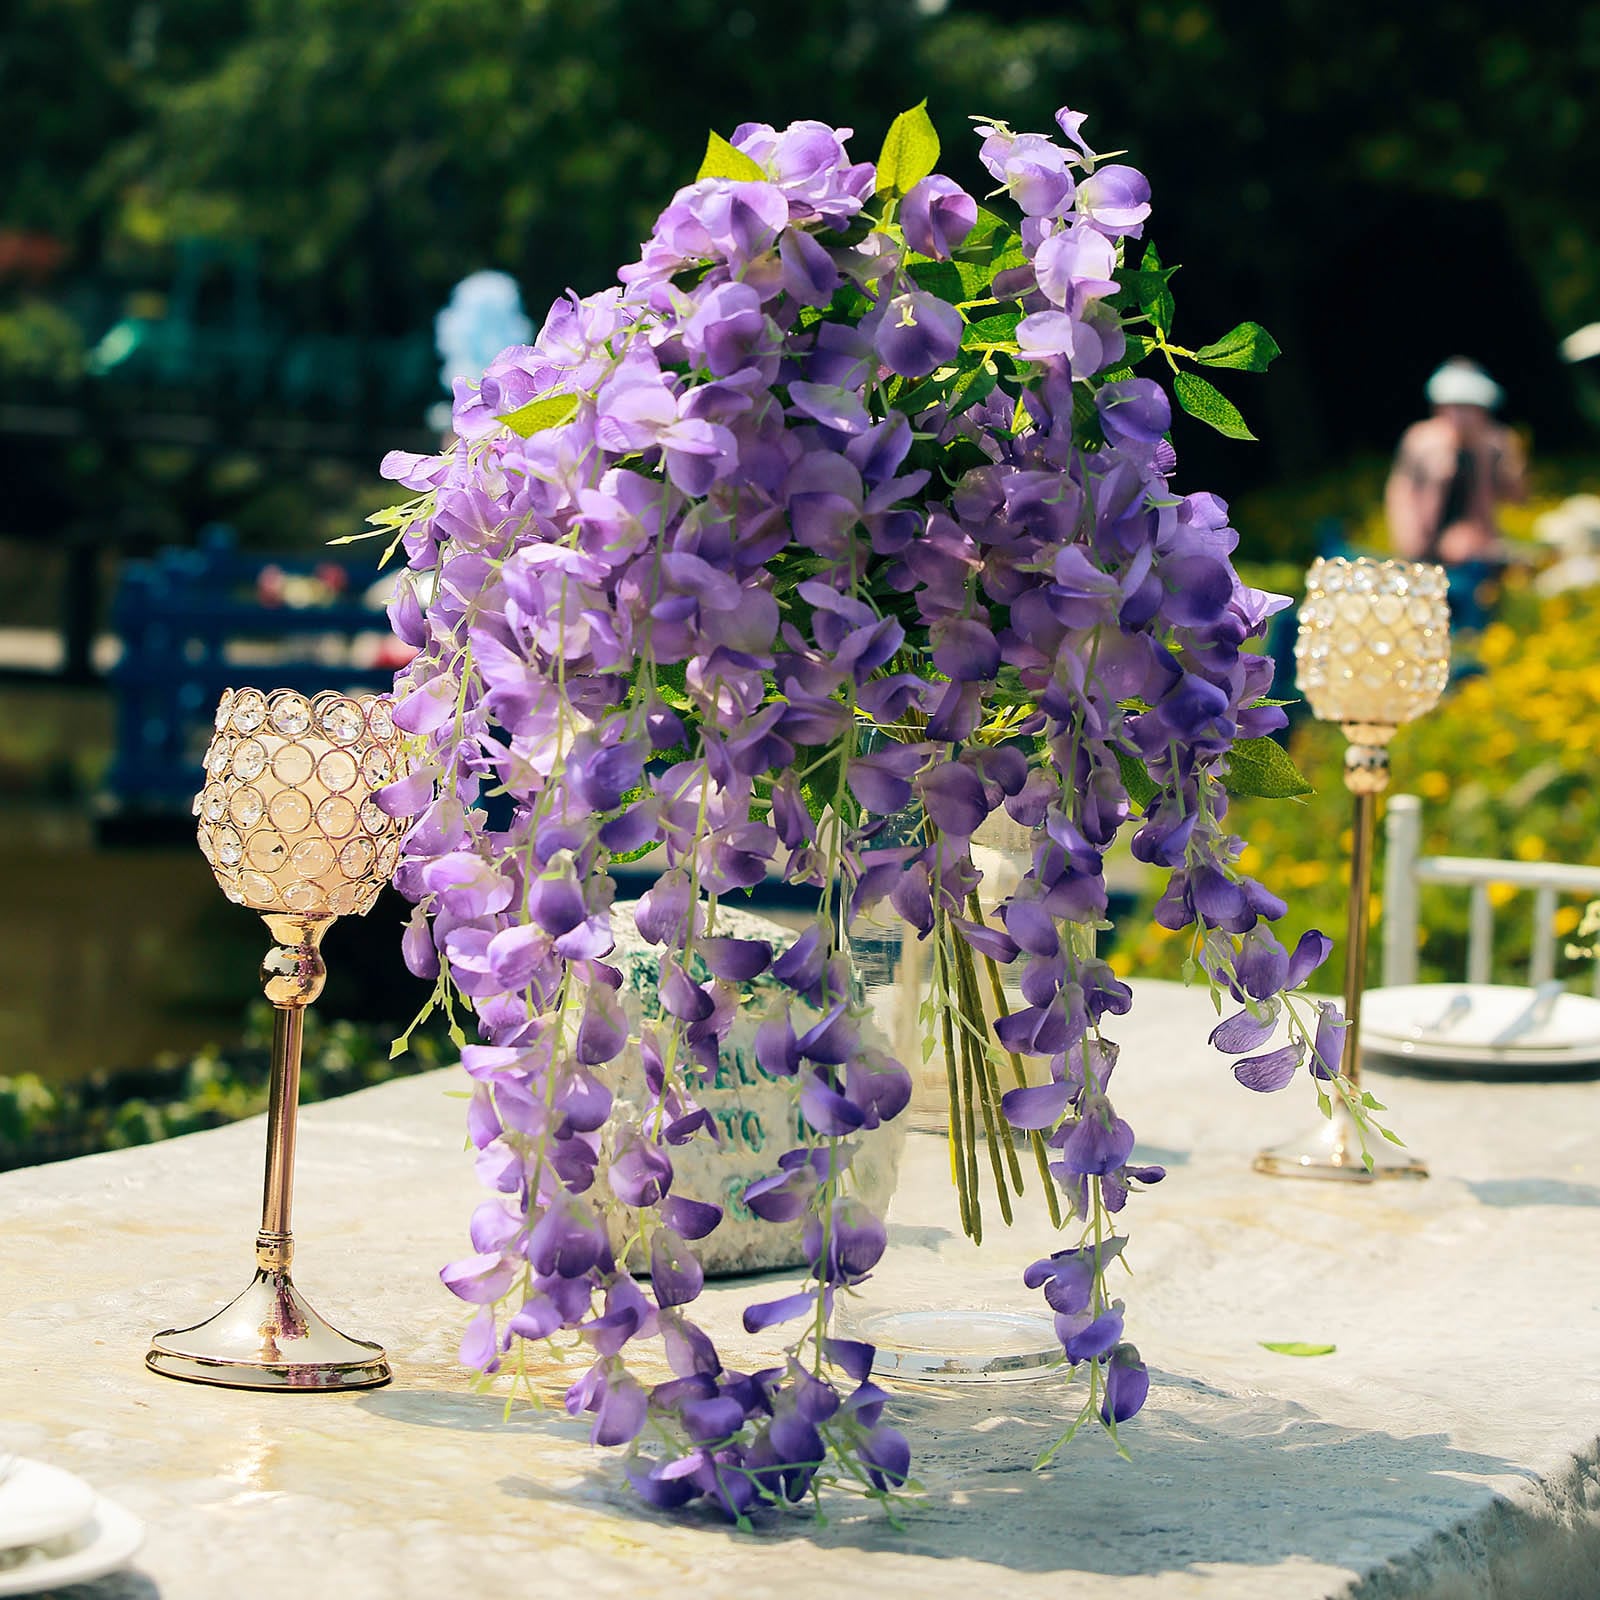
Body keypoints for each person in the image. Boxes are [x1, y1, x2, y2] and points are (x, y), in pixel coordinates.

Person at [1385, 359, 1527, 627]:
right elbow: (1401, 494)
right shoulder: (1421, 440)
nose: (1461, 417)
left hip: (1477, 554)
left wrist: (1507, 458)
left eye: (1469, 408)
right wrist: (1413, 542)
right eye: (1453, 408)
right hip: (1426, 550)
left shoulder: (1495, 443)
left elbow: (1515, 496)